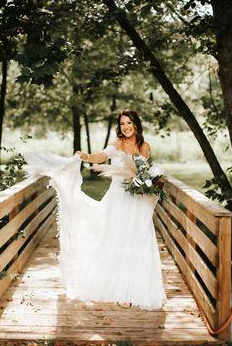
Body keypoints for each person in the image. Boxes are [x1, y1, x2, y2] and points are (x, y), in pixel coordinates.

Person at [24, 109, 167, 310]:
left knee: (137, 239)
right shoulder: (117, 144)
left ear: (136, 124)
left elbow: (144, 170)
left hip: (137, 200)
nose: (125, 127)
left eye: (129, 123)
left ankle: (135, 288)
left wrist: (151, 182)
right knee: (116, 239)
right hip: (118, 197)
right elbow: (101, 156)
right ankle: (119, 288)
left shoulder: (144, 146)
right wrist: (85, 156)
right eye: (122, 123)